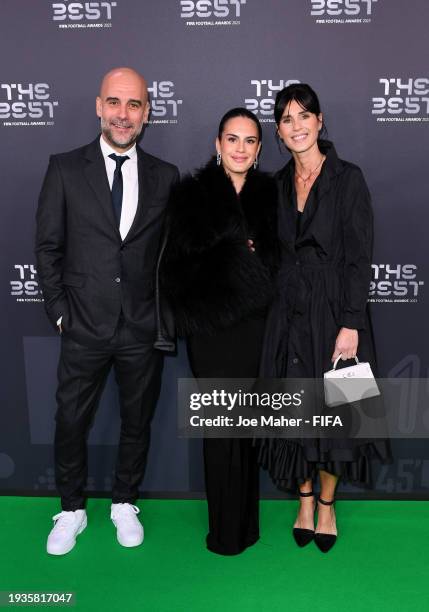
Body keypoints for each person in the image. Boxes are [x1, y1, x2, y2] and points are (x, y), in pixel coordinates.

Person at [35, 67, 179, 555]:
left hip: (140, 327)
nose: (124, 114)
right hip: (82, 323)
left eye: (134, 105)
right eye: (115, 103)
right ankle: (71, 508)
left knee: (137, 420)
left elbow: (173, 253)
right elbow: (48, 247)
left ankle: (124, 501)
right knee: (70, 420)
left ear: (146, 114)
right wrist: (59, 312)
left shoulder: (166, 176)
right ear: (99, 106)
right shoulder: (64, 168)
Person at [258, 84, 390, 553]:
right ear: (278, 130)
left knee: (342, 415)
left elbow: (360, 255)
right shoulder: (272, 185)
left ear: (319, 121)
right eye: (286, 119)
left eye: (304, 116)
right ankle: (305, 498)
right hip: (287, 310)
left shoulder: (348, 179)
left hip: (338, 311)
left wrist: (351, 321)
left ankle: (329, 503)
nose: (296, 126)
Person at [161, 108, 278, 555]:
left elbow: (280, 265)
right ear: (217, 144)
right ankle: (223, 532)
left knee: (247, 430)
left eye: (250, 141)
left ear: (260, 148)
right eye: (233, 139)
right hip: (211, 332)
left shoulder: (271, 195)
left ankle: (247, 524)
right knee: (219, 430)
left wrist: (242, 264)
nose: (241, 149)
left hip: (256, 330)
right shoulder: (191, 196)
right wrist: (237, 257)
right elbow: (175, 272)